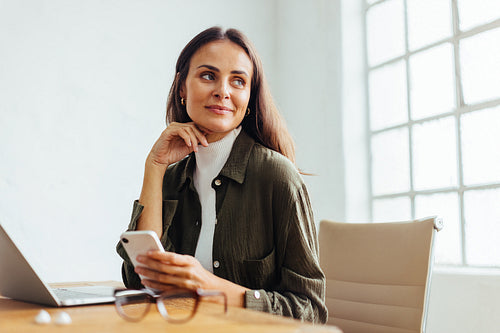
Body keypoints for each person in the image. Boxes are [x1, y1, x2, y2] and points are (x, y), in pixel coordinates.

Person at [116, 26, 327, 323]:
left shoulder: (278, 177)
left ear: (250, 97)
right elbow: (137, 280)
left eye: (238, 81)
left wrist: (213, 287)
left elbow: (311, 310)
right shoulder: (173, 178)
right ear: (181, 88)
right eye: (208, 75)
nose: (223, 91)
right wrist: (155, 166)